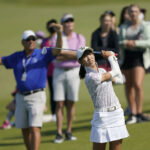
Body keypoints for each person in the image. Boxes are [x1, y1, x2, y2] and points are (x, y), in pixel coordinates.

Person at [0, 24, 76, 150]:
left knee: (35, 127)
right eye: (28, 39)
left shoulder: (43, 52)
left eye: (33, 39)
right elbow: (2, 60)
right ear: (23, 42)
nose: (31, 41)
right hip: (20, 97)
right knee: (24, 129)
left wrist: (59, 33)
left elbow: (57, 50)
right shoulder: (16, 57)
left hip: (37, 96)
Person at [77, 46, 129, 150]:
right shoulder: (90, 77)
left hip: (116, 114)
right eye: (85, 56)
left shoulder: (101, 70)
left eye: (90, 54)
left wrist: (113, 58)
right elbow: (115, 72)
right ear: (80, 61)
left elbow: (119, 79)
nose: (89, 57)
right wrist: (111, 57)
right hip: (102, 117)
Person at [51, 13, 86, 143]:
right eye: (66, 21)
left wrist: (64, 54)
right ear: (62, 24)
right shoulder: (56, 37)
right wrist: (73, 53)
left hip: (74, 71)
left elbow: (80, 55)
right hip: (59, 71)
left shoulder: (79, 37)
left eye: (71, 21)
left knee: (71, 102)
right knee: (59, 103)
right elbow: (56, 54)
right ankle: (59, 132)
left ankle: (69, 131)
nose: (69, 23)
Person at [119, 4, 150, 124]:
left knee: (137, 84)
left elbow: (148, 42)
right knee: (128, 86)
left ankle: (139, 112)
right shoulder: (123, 26)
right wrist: (126, 43)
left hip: (139, 57)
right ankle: (132, 113)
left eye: (135, 12)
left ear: (138, 13)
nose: (133, 14)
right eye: (131, 12)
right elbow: (120, 42)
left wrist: (135, 43)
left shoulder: (144, 26)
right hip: (127, 57)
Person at [41, 19, 58, 122]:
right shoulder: (45, 41)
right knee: (53, 93)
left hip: (59, 69)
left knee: (61, 94)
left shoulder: (60, 39)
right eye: (50, 26)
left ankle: (61, 113)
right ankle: (54, 114)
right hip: (49, 71)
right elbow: (42, 55)